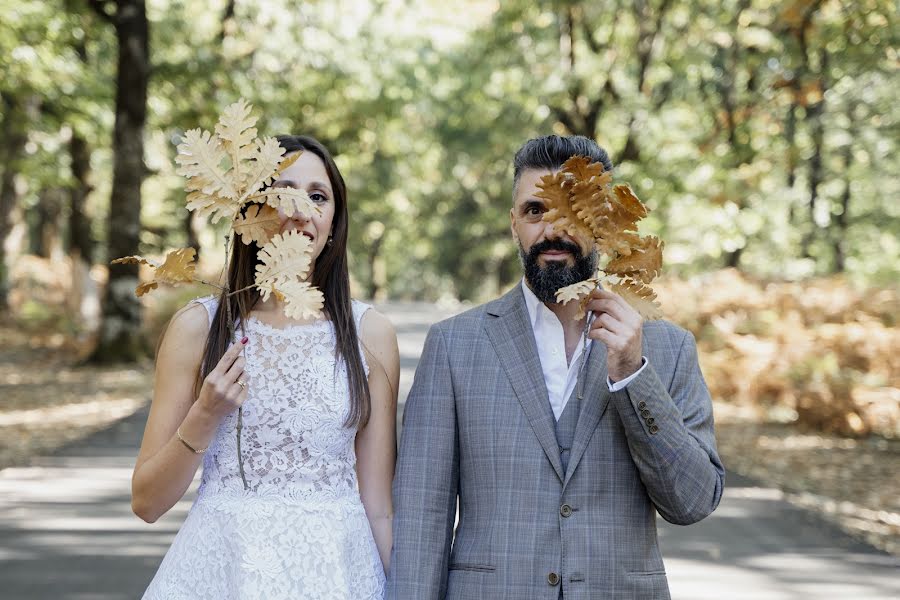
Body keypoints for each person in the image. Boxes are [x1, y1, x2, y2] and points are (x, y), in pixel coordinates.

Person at [388, 134, 724, 599]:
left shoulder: (667, 348)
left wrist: (632, 374)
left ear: (603, 220)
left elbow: (693, 500)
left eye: (572, 210)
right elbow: (422, 515)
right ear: (513, 224)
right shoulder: (453, 346)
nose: (552, 228)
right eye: (535, 210)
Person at [133, 135, 399, 599]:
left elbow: (378, 506)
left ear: (334, 222)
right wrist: (204, 416)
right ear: (250, 214)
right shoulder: (199, 328)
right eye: (283, 193)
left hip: (335, 574)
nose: (301, 210)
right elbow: (147, 502)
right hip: (224, 570)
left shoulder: (370, 337)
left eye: (319, 196)